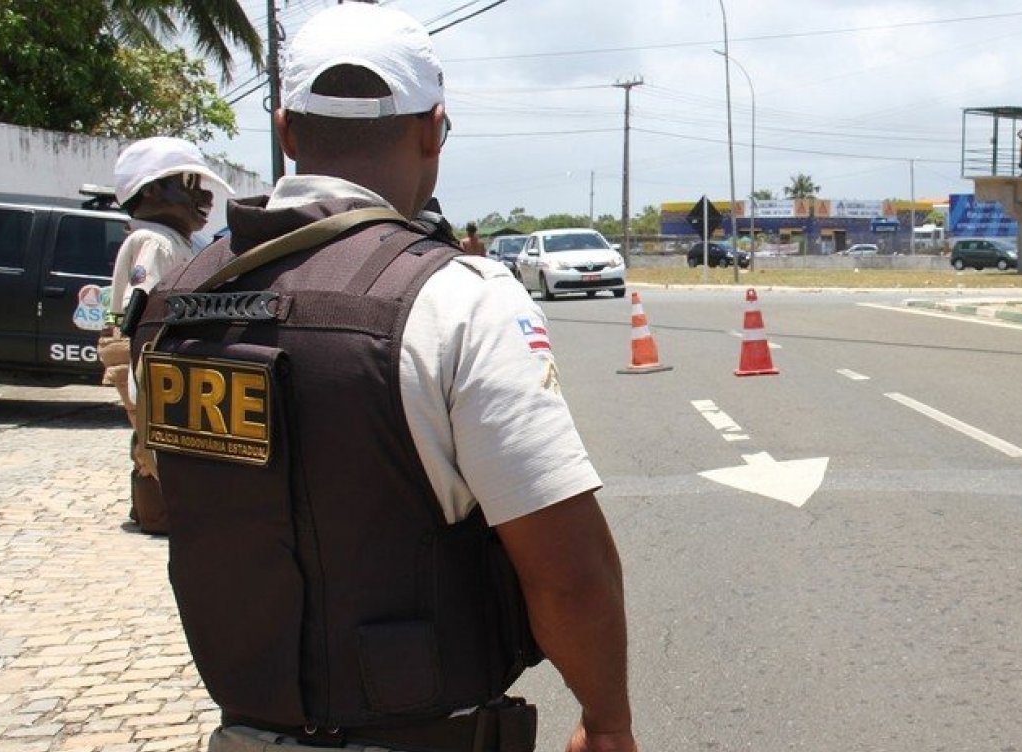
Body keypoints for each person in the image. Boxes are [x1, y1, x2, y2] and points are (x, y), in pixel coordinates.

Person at [127, 5, 636, 752]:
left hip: (245, 730)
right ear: (433, 128)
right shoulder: (458, 297)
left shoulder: (174, 306)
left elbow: (168, 505)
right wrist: (607, 720)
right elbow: (566, 569)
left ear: (286, 131)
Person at [98, 136, 233, 534]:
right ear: (153, 190)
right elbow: (146, 306)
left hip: (154, 347)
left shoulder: (176, 240)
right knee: (151, 434)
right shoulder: (155, 241)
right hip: (147, 348)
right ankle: (157, 512)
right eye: (190, 185)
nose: (204, 197)